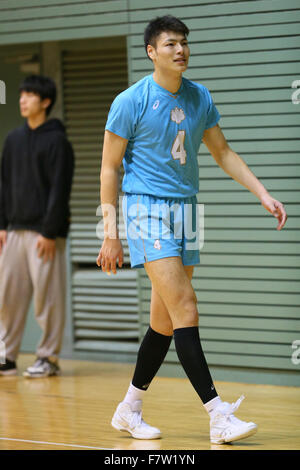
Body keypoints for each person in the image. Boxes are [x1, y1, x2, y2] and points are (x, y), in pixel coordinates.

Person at [96, 16, 287, 444]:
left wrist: (262, 193)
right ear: (151, 51)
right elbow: (109, 168)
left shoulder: (200, 97)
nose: (180, 50)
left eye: (184, 43)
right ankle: (218, 415)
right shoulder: (131, 101)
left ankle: (129, 408)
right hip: (146, 209)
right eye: (170, 44)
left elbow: (223, 151)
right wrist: (111, 232)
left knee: (165, 322)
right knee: (186, 307)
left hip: (188, 213)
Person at [0, 75, 74, 378]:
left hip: (46, 235)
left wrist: (49, 231)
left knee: (48, 298)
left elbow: (60, 189)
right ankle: (6, 356)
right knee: (7, 296)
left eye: (29, 95)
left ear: (45, 102)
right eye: (21, 94)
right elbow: (3, 185)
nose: (22, 99)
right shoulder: (13, 140)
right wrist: (2, 224)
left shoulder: (58, 141)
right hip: (14, 231)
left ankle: (48, 357)